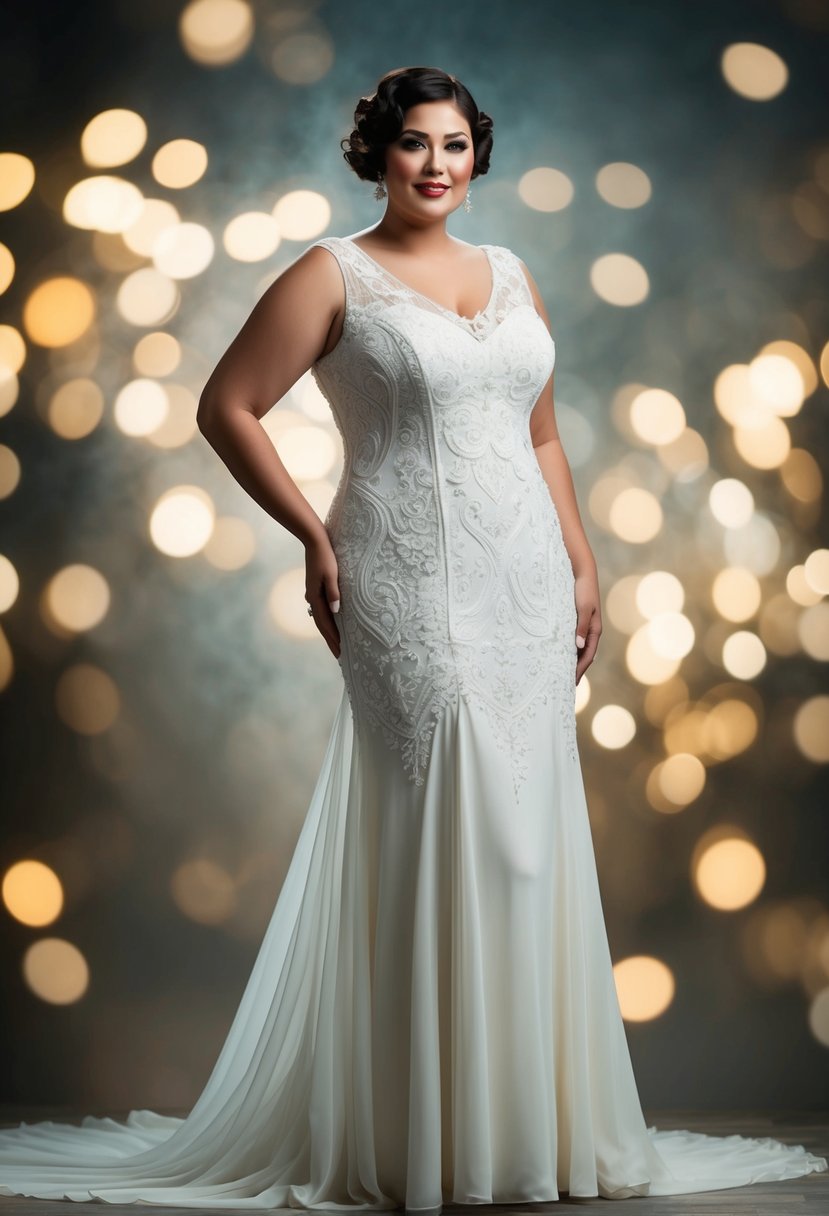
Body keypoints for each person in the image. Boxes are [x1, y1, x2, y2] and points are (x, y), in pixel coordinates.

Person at [1, 65, 826, 1213]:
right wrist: (310, 535)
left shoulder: (513, 275)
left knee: (523, 835)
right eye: (411, 146)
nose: (434, 165)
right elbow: (225, 404)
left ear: (475, 156)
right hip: (402, 575)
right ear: (376, 157)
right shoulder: (331, 272)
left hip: (527, 583)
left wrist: (583, 561)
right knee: (434, 821)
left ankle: (526, 1135)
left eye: (453, 145)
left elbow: (539, 439)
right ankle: (421, 1141)